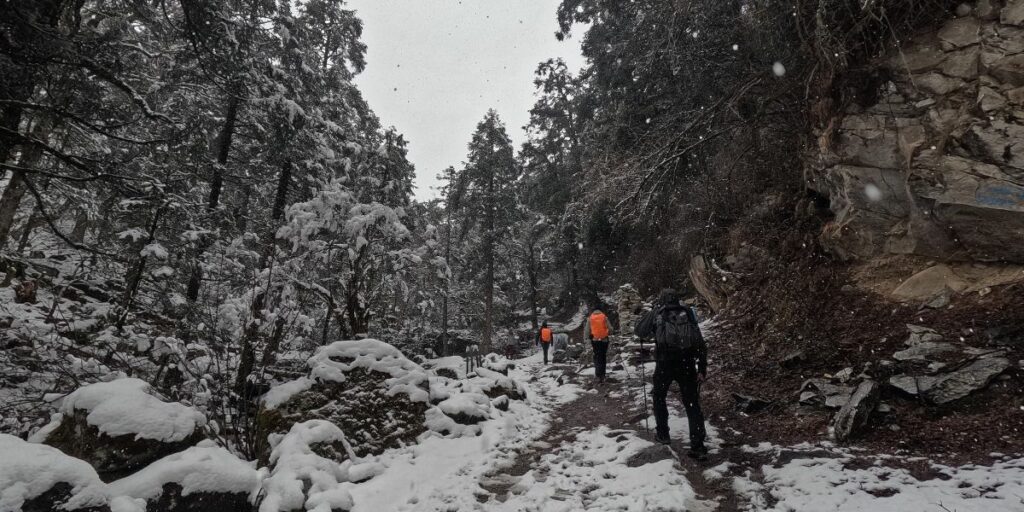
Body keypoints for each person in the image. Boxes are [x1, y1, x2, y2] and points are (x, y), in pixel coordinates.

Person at [635, 289, 708, 460]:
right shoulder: (687, 313)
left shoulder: (658, 313)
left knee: (659, 397)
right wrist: (702, 368)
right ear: (678, 299)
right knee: (692, 403)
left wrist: (653, 312)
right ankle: (697, 445)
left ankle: (663, 434)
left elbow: (639, 331)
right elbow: (699, 340)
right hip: (687, 363)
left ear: (661, 299)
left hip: (665, 364)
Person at [586, 307, 612, 382]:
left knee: (597, 356)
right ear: (601, 310)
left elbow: (587, 331)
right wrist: (608, 333)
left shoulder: (590, 318)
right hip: (604, 340)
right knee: (603, 356)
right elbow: (610, 329)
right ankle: (603, 374)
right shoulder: (604, 317)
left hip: (595, 340)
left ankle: (597, 374)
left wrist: (589, 337)